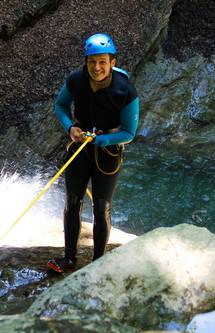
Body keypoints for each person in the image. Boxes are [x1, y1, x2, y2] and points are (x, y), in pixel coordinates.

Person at [47, 33, 139, 273]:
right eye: (92, 62)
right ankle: (68, 259)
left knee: (101, 206)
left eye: (102, 62)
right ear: (85, 62)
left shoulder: (125, 91)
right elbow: (60, 105)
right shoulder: (76, 80)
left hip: (107, 150)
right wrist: (70, 127)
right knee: (73, 201)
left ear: (112, 63)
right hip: (80, 146)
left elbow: (129, 132)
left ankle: (98, 264)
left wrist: (103, 139)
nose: (97, 68)